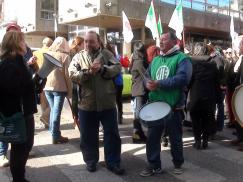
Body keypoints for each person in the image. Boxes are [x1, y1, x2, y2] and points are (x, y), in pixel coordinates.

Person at [68, 31, 124, 175]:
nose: (88, 44)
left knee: (111, 135)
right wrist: (88, 73)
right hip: (87, 104)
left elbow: (117, 68)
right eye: (86, 41)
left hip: (107, 103)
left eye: (91, 41)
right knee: (88, 136)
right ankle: (91, 161)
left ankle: (113, 162)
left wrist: (103, 69)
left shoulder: (107, 55)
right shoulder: (78, 57)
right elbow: (72, 74)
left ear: (98, 42)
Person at [139, 31, 192, 177]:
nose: (160, 42)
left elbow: (182, 79)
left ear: (174, 42)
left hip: (174, 107)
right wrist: (147, 83)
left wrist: (159, 84)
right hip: (156, 106)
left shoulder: (182, 59)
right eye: (160, 40)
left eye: (164, 39)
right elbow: (147, 75)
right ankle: (153, 165)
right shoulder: (155, 60)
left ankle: (178, 163)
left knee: (175, 138)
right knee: (152, 138)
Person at [0, 31, 37, 182]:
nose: (25, 44)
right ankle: (18, 179)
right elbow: (15, 89)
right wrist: (33, 81)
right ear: (15, 43)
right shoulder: (9, 63)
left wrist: (36, 77)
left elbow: (25, 84)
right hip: (17, 114)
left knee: (25, 146)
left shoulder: (19, 60)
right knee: (20, 148)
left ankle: (20, 176)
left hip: (24, 112)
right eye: (22, 41)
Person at [188, 42, 220, 150]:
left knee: (195, 119)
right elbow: (217, 83)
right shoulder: (213, 65)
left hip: (195, 96)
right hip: (209, 96)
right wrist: (218, 98)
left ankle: (197, 141)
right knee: (207, 119)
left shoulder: (191, 64)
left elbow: (188, 81)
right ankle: (205, 141)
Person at [44, 37, 72, 144]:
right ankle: (55, 135)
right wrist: (69, 91)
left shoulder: (48, 54)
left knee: (53, 110)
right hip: (59, 88)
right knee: (56, 112)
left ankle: (53, 133)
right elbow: (67, 75)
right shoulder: (65, 56)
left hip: (47, 87)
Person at [33, 37, 53, 128]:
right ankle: (46, 118)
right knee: (51, 102)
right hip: (50, 78)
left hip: (39, 78)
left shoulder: (35, 53)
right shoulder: (52, 53)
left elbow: (34, 66)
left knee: (43, 101)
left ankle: (46, 122)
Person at [130, 42, 148, 143]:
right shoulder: (139, 62)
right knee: (138, 114)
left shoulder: (136, 60)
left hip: (138, 89)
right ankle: (137, 135)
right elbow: (146, 75)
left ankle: (139, 134)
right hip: (139, 90)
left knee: (138, 113)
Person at [69, 36, 84, 126]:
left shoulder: (71, 51)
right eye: (83, 44)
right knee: (77, 100)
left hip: (73, 80)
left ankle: (76, 119)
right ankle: (78, 120)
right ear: (79, 44)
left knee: (75, 100)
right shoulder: (76, 54)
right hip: (76, 79)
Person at [232, 35, 243, 151]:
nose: (238, 48)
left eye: (240, 45)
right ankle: (240, 137)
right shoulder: (241, 58)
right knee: (239, 115)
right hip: (239, 91)